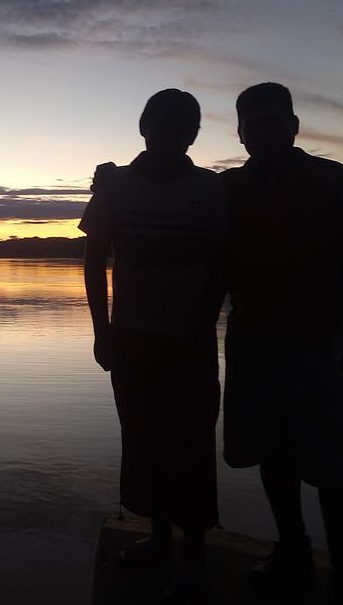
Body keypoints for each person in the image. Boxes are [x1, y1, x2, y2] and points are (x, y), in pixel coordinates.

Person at [221, 82, 343, 605]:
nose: (264, 131)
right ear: (240, 133)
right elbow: (207, 265)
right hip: (250, 345)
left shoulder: (331, 179)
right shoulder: (228, 189)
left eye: (275, 121)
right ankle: (292, 552)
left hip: (319, 345)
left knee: (335, 467)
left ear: (294, 126)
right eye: (252, 123)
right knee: (273, 454)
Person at [80, 88, 226, 603]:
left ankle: (194, 558)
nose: (174, 136)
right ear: (145, 127)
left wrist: (203, 321)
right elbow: (94, 262)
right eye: (164, 125)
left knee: (191, 445)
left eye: (185, 128)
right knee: (143, 439)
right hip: (132, 339)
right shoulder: (116, 188)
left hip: (190, 342)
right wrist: (102, 330)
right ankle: (159, 539)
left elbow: (221, 266)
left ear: (194, 135)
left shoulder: (209, 190)